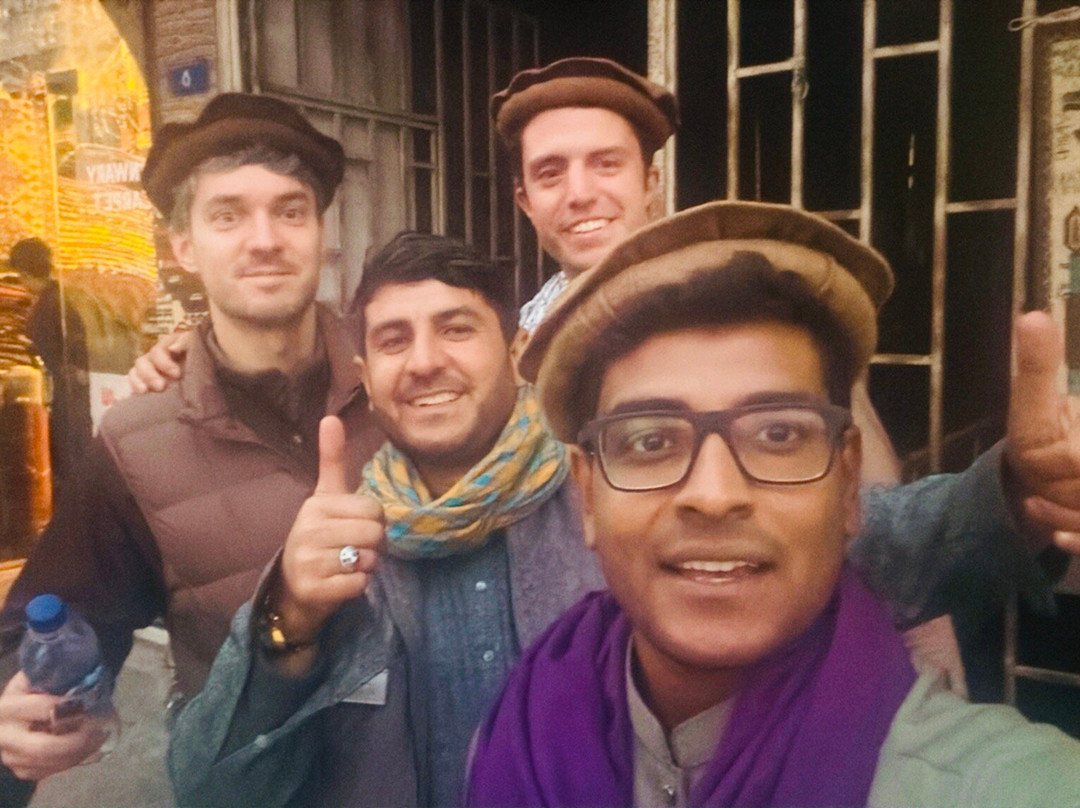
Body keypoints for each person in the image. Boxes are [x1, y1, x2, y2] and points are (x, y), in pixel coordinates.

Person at [169, 228, 1074, 808]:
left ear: (512, 353)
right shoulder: (335, 552)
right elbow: (210, 789)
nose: (427, 360)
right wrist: (288, 618)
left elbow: (876, 536)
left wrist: (1007, 492)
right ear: (366, 377)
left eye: (457, 328)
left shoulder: (629, 488)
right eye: (394, 339)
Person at [467, 200, 1080, 807]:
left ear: (848, 483)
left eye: (778, 434)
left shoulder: (982, 782)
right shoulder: (521, 739)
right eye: (650, 441)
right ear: (587, 496)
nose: (714, 496)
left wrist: (1012, 490)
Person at [0, 93, 383, 789]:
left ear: (320, 232)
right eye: (228, 215)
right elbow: (58, 615)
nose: (264, 240)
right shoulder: (137, 441)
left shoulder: (403, 382)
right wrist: (18, 704)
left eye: (290, 211)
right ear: (183, 247)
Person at [8, 237, 92, 488]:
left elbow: (58, 356)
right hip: (66, 398)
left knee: (65, 467)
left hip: (63, 399)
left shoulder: (52, 306)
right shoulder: (57, 301)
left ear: (25, 273)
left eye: (20, 276)